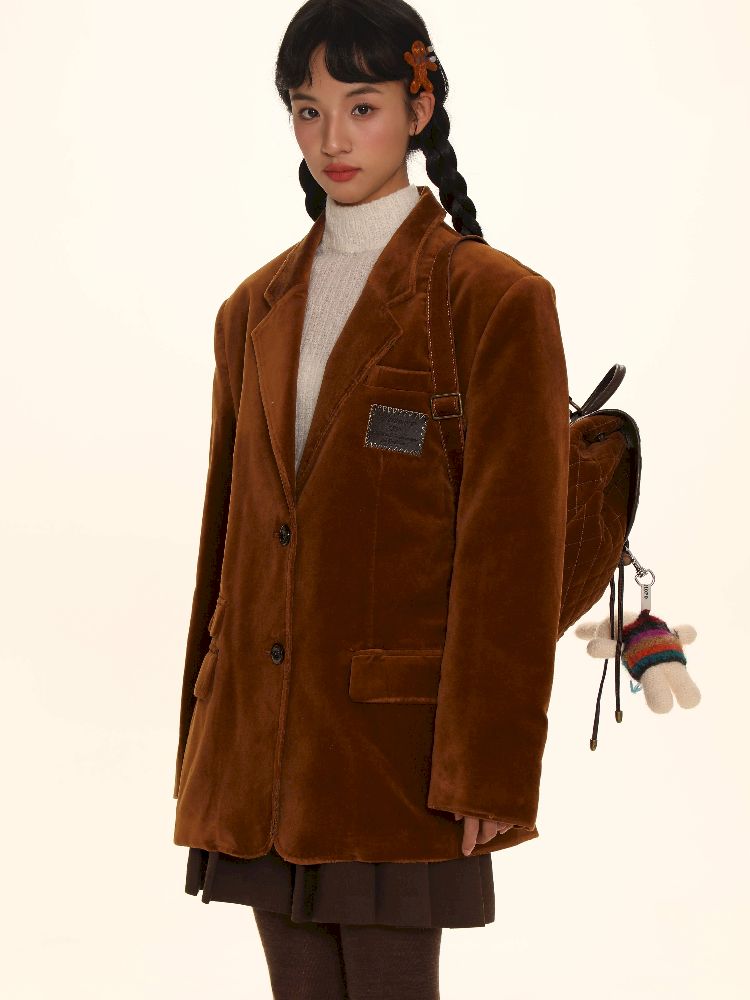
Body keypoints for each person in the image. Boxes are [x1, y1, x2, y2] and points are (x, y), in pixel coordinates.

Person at [173, 2, 570, 997]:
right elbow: (229, 535)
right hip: (260, 746)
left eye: (362, 106)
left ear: (419, 108)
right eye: (308, 111)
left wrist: (491, 765)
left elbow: (514, 552)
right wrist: (206, 740)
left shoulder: (493, 300)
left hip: (397, 749)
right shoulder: (251, 309)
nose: (333, 140)